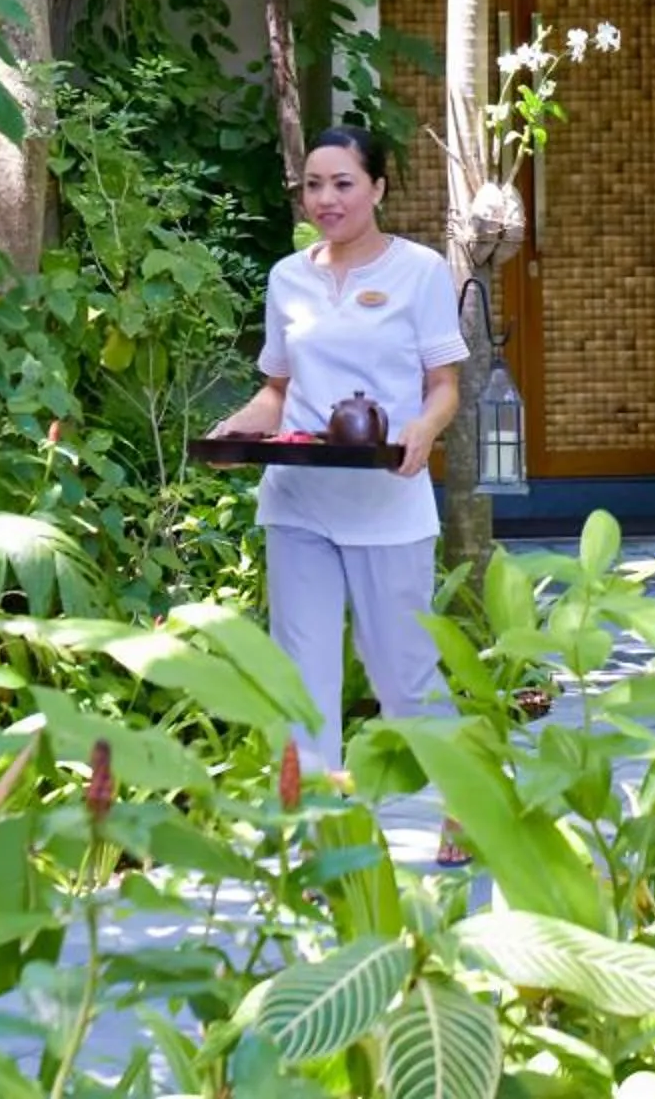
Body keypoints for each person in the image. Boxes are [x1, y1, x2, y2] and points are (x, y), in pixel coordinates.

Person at [210, 125, 467, 822]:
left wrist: (422, 428)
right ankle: (311, 827)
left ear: (378, 187)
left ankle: (467, 808)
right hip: (298, 501)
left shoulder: (420, 271)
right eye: (314, 185)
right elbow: (275, 393)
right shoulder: (287, 278)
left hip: (387, 503)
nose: (326, 198)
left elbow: (444, 385)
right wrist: (233, 429)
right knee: (301, 679)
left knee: (404, 675)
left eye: (343, 183)